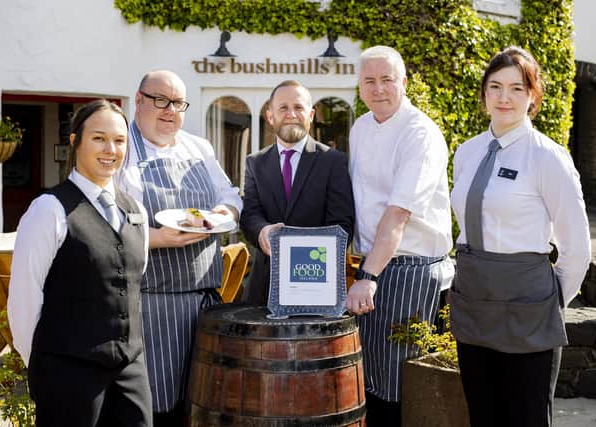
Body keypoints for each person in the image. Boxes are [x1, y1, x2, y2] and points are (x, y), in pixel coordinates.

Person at [449, 46, 591, 427]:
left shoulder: (548, 157)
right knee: (483, 416)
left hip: (528, 309)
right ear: (484, 93)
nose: (504, 97)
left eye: (516, 88)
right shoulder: (467, 152)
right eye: (495, 86)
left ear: (532, 96)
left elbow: (576, 248)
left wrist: (549, 299)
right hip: (475, 303)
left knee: (525, 419)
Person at [7, 99, 152, 426]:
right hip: (68, 373)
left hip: (130, 370)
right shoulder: (49, 209)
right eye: (99, 138)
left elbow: (130, 286)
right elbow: (24, 301)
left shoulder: (136, 211)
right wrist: (46, 368)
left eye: (119, 140)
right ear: (75, 142)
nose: (110, 149)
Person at [118, 70, 242, 426]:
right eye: (161, 100)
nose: (170, 110)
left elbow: (230, 195)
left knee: (200, 400)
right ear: (139, 100)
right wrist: (156, 238)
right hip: (150, 301)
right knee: (152, 405)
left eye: (178, 103)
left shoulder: (198, 148)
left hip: (204, 299)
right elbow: (106, 220)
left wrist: (224, 212)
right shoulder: (122, 148)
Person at [347, 46, 454, 426]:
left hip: (410, 269)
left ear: (404, 83)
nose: (378, 89)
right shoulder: (360, 127)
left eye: (387, 79)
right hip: (371, 266)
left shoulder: (419, 133)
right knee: (368, 379)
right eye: (369, 81)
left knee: (399, 385)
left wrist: (368, 277)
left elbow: (398, 214)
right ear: (359, 87)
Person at [239, 80, 355, 305]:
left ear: (311, 115)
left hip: (316, 282)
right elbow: (250, 214)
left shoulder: (334, 162)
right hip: (264, 288)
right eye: (283, 108)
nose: (291, 114)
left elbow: (343, 224)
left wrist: (302, 255)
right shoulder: (255, 163)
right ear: (270, 116)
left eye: (299, 107)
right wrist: (261, 231)